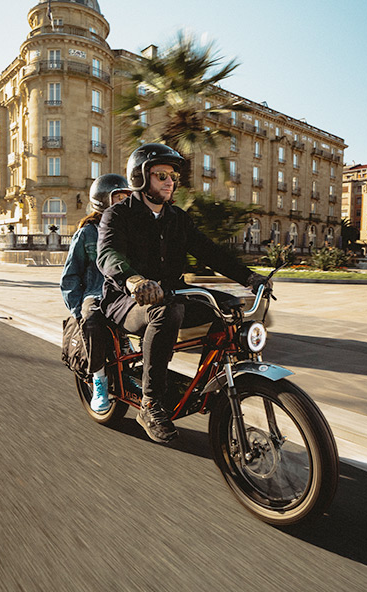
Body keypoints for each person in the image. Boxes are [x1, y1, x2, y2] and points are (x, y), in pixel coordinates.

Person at [97, 143, 269, 443]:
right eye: (161, 175)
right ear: (140, 177)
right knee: (167, 310)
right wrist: (135, 281)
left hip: (172, 291)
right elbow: (108, 253)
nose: (170, 181)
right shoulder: (117, 215)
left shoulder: (177, 218)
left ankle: (216, 384)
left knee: (227, 311)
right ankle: (151, 402)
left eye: (172, 175)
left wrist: (250, 278)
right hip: (126, 299)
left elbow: (210, 252)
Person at [60, 173, 132, 413]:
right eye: (118, 197)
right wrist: (77, 310)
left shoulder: (130, 231)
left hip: (124, 294)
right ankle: (98, 378)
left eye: (126, 197)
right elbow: (70, 276)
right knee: (92, 320)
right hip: (96, 294)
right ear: (103, 201)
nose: (124, 202)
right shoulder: (87, 233)